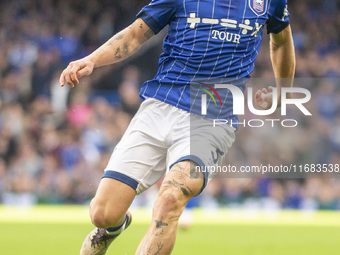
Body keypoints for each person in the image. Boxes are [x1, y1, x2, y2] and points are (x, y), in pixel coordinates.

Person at [59, 0, 295, 254]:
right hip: (160, 106)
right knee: (103, 214)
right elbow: (135, 35)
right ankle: (113, 228)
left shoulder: (268, 2)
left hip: (212, 114)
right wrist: (92, 60)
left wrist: (284, 91)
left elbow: (281, 41)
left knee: (171, 198)